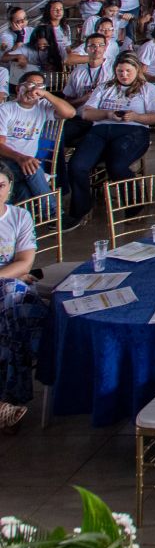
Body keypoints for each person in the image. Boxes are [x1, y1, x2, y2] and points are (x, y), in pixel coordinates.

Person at [65, 53, 155, 229]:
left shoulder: (148, 89)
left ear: (137, 70)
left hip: (133, 130)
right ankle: (80, 209)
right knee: (77, 165)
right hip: (101, 129)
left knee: (116, 165)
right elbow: (86, 113)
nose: (124, 75)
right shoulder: (104, 87)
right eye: (120, 71)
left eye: (128, 71)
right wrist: (108, 114)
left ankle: (135, 205)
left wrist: (137, 117)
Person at [0, 172, 46, 431]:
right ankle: (8, 401)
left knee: (12, 299)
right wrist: (14, 273)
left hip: (13, 291)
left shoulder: (19, 217)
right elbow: (19, 268)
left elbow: (25, 262)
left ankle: (6, 402)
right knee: (12, 308)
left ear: (10, 187)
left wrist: (16, 274)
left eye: (1, 185)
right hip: (12, 291)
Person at [0, 71, 74, 199]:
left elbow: (70, 113)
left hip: (26, 164)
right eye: (30, 84)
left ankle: (38, 211)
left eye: (39, 86)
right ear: (18, 88)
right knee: (33, 170)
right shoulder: (5, 109)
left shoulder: (42, 106)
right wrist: (20, 158)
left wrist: (46, 94)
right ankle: (53, 210)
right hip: (5, 162)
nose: (33, 90)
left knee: (25, 190)